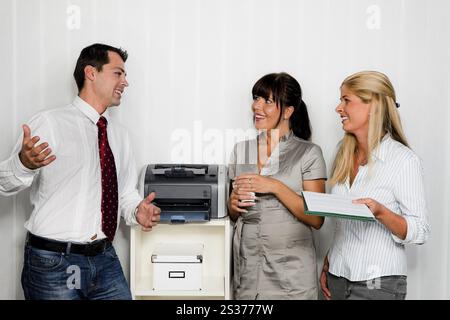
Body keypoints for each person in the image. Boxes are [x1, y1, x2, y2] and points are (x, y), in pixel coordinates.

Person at [0, 43, 161, 300]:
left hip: (104, 258)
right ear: (91, 73)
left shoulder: (119, 136)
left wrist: (136, 210)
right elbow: (3, 184)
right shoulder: (49, 123)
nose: (126, 82)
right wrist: (23, 163)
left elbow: (125, 193)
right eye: (118, 73)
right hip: (53, 263)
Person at [320, 71, 430, 300]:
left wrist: (381, 212)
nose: (338, 108)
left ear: (373, 105)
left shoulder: (403, 160)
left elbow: (420, 231)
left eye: (346, 100)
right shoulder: (342, 152)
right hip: (337, 276)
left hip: (378, 284)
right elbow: (342, 221)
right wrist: (330, 260)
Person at [227, 72, 327, 299]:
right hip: (248, 271)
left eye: (267, 101)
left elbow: (317, 219)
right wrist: (232, 204)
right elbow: (233, 213)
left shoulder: (309, 153)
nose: (256, 106)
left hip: (291, 278)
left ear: (288, 111)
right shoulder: (241, 150)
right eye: (256, 98)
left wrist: (274, 186)